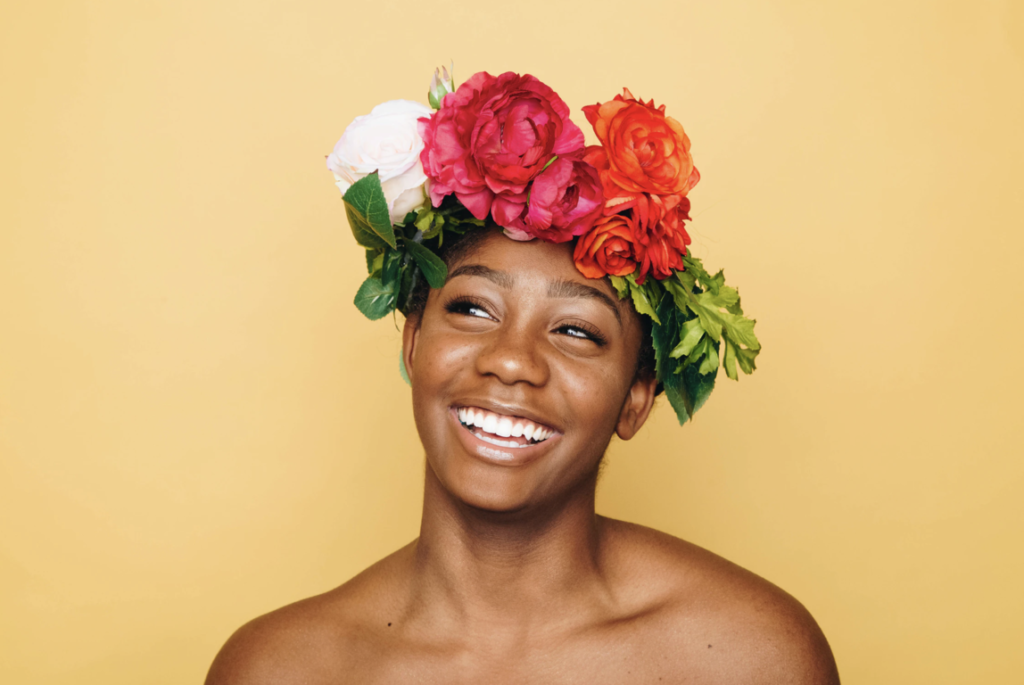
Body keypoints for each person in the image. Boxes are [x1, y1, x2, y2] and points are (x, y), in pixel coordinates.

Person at [205, 69, 840, 684]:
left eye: (576, 331)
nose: (511, 360)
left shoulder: (748, 656)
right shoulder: (277, 669)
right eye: (473, 309)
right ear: (414, 341)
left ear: (636, 400)